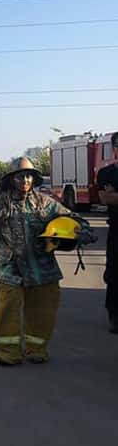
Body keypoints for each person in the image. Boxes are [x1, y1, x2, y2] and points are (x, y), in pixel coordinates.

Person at [0, 157, 72, 365]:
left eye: (29, 176)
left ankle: (37, 349)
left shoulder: (47, 204)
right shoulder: (0, 205)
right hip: (10, 268)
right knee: (8, 309)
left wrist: (79, 234)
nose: (25, 180)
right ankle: (8, 352)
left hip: (42, 267)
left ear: (33, 179)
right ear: (11, 180)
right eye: (20, 176)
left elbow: (74, 221)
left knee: (43, 310)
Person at [96, 131, 118, 333]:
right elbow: (105, 199)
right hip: (117, 231)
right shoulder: (105, 173)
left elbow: (113, 197)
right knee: (114, 273)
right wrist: (111, 196)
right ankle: (114, 314)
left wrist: (115, 194)